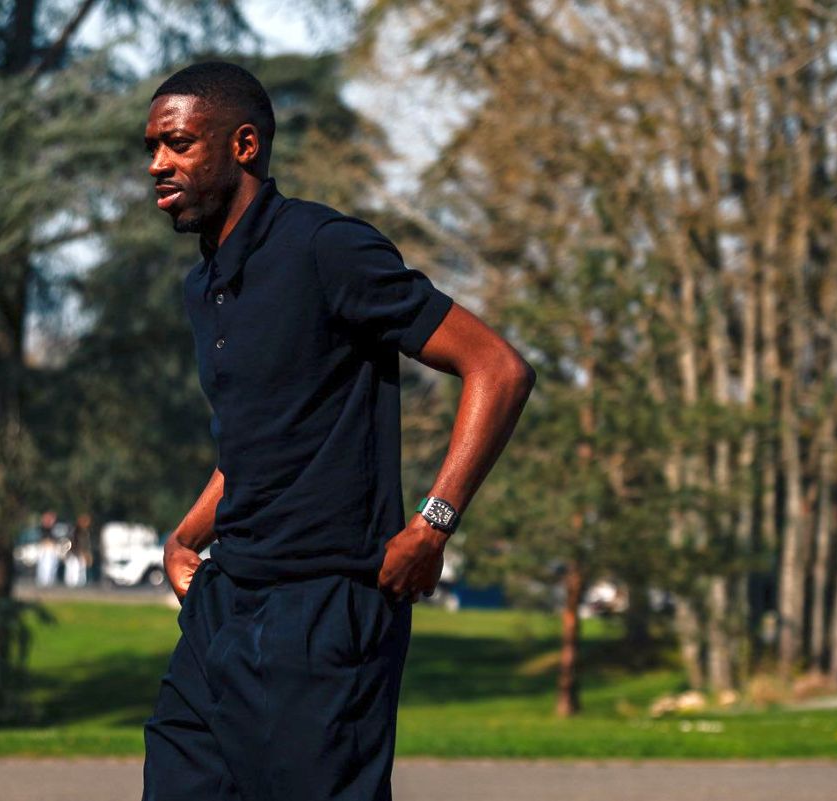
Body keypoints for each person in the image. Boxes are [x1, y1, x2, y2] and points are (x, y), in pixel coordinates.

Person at [140, 61, 535, 801]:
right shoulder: (205, 284)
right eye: (152, 147)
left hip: (324, 612)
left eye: (179, 143)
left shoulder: (325, 248)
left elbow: (498, 368)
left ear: (244, 145)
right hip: (224, 605)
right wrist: (185, 536)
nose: (158, 163)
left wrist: (434, 525)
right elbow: (259, 440)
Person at [64, 513, 92, 588]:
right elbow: (71, 544)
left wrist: (86, 554)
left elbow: (85, 546)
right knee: (72, 573)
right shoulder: (75, 531)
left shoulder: (85, 532)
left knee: (80, 574)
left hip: (80, 555)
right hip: (73, 554)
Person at [34, 510, 60, 588]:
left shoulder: (55, 529)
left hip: (52, 549)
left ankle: (50, 582)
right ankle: (42, 582)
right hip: (44, 550)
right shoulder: (41, 529)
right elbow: (40, 539)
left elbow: (56, 540)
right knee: (43, 567)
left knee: (52, 567)